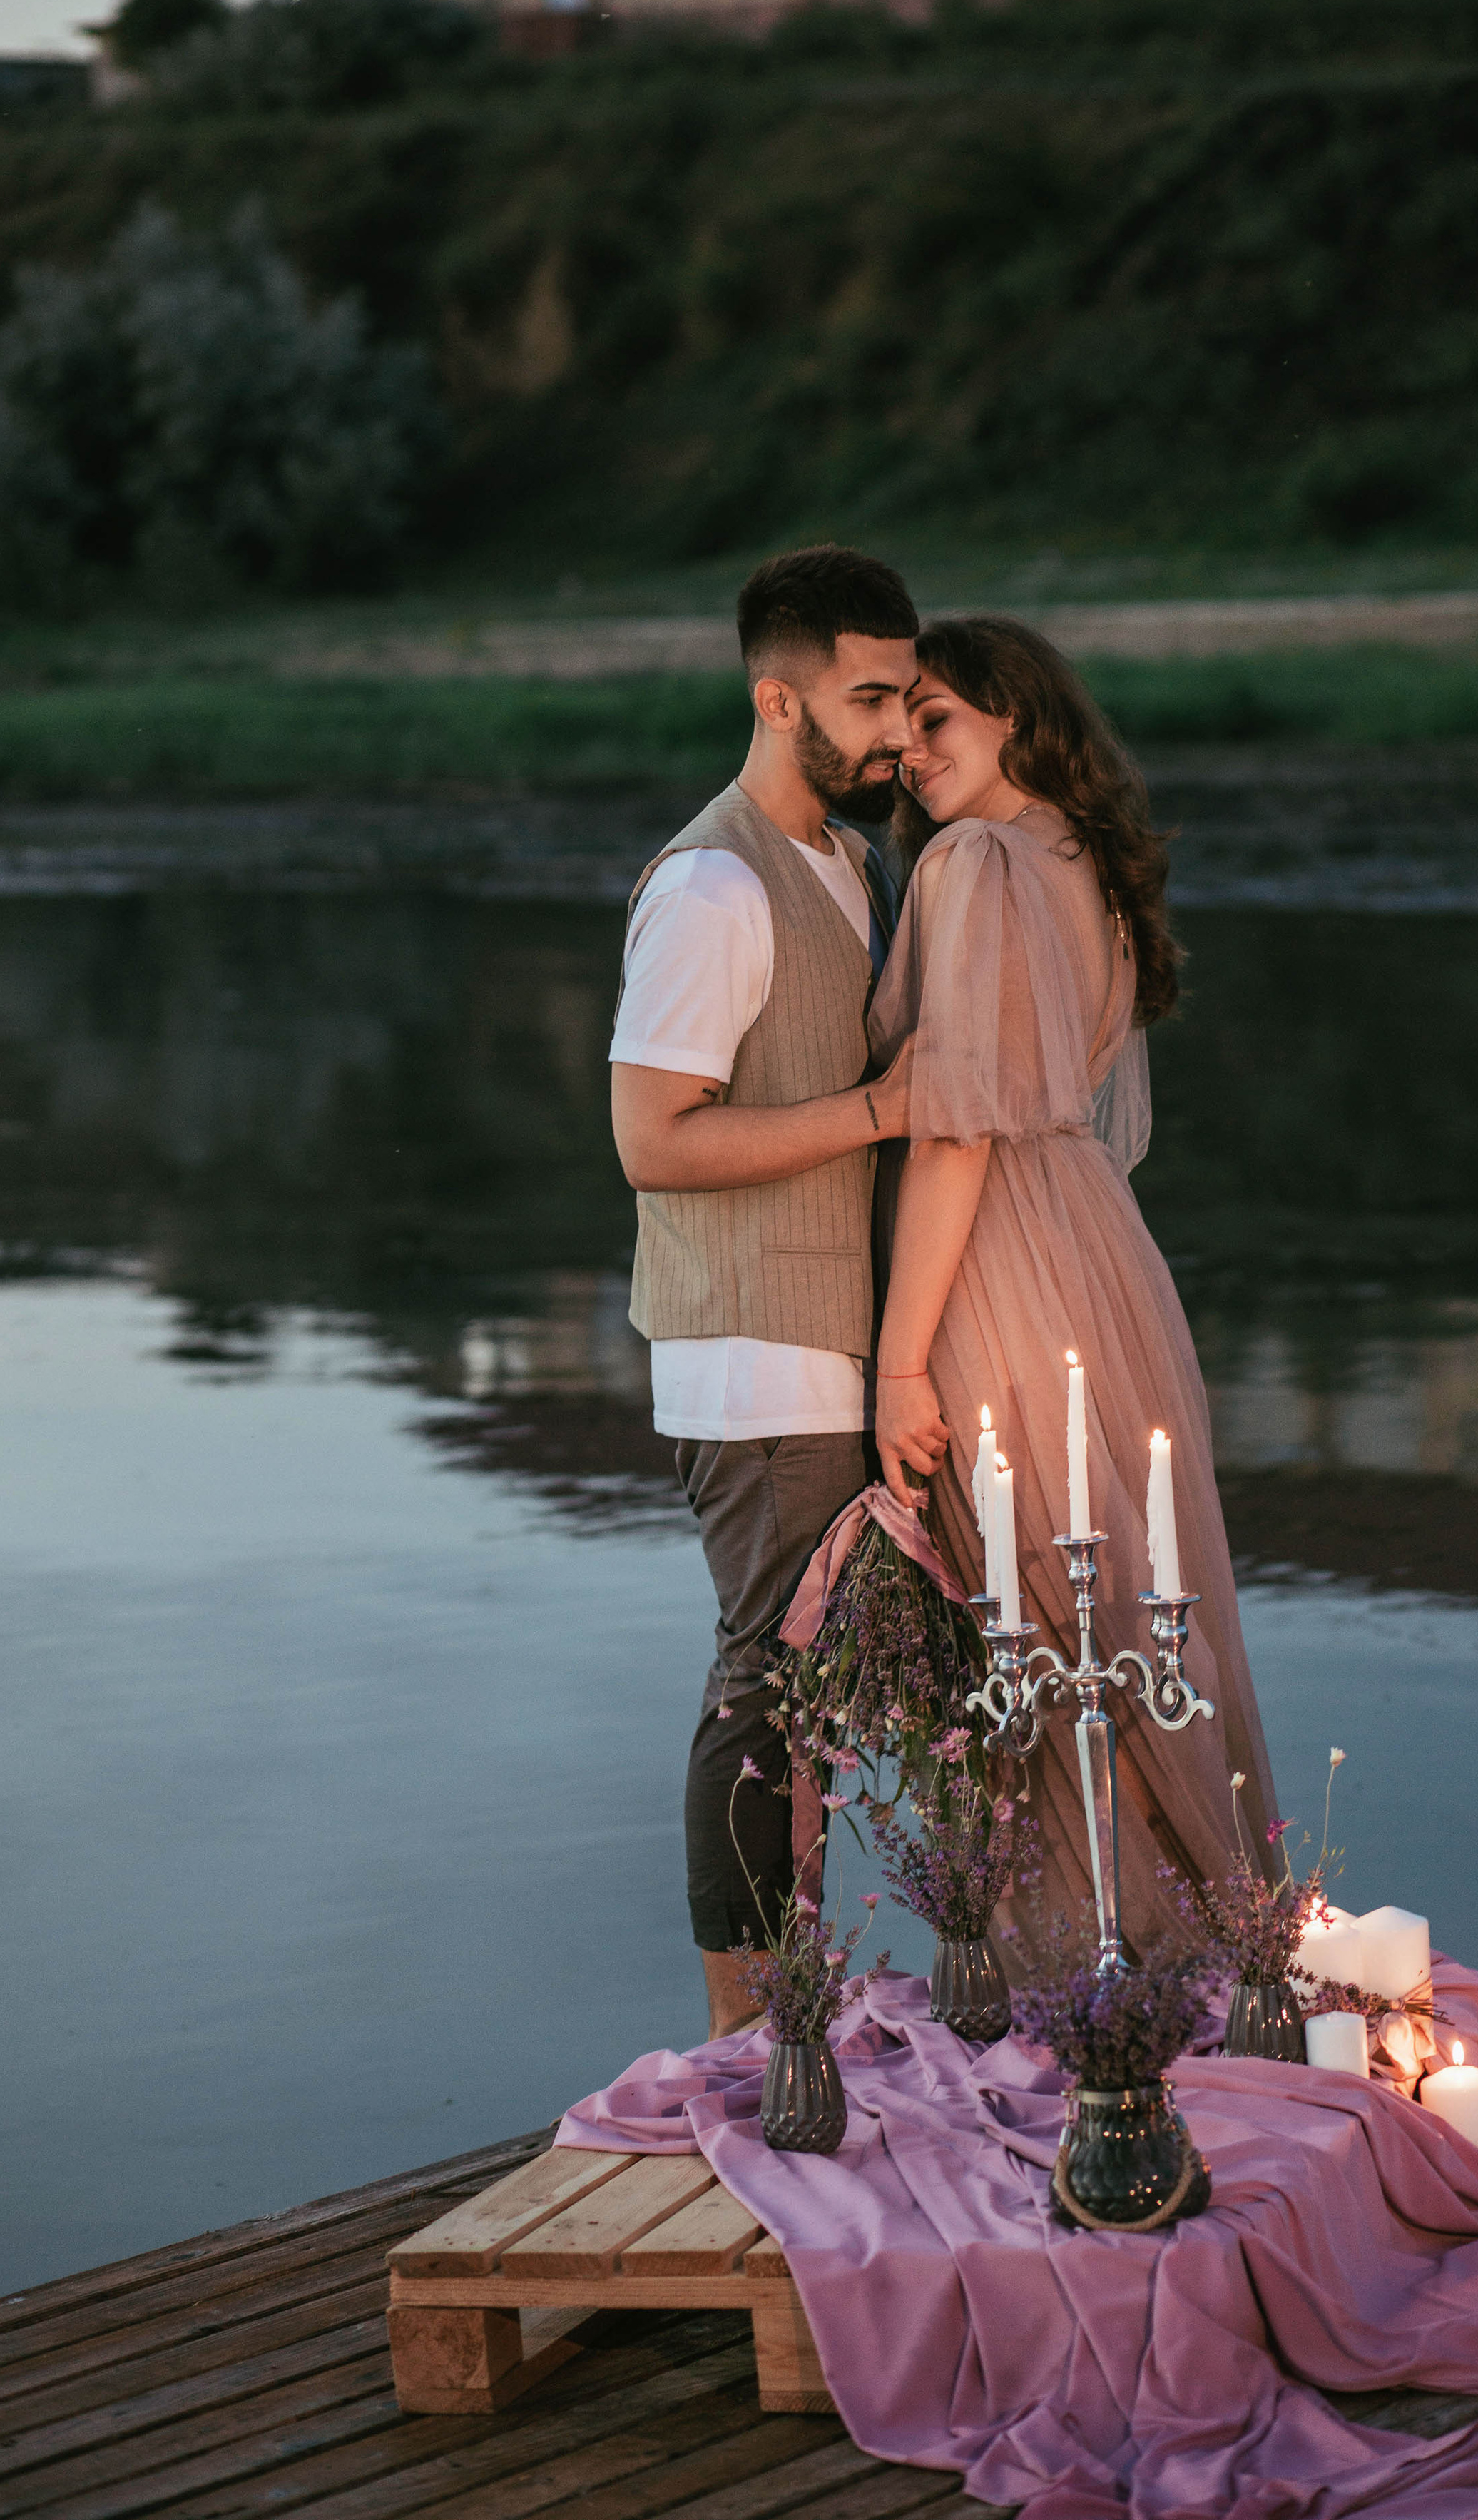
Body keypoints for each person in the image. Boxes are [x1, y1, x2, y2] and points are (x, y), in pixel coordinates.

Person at [868, 614, 1279, 1934]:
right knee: (1125, 1610)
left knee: (1039, 1611)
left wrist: (900, 1361)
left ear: (1015, 715)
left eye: (936, 717)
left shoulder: (974, 859)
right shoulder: (1085, 864)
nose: (908, 748)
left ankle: (1093, 1965)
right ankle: (1196, 1945)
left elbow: (957, 1127)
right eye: (900, 725)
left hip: (995, 1257)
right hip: (1101, 1249)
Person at [610, 544, 921, 2038]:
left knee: (813, 1700)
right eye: (868, 700)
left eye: (907, 698)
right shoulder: (711, 885)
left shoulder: (847, 863)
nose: (896, 731)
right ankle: (749, 2038)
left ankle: (799, 2015)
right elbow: (651, 1140)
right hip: (748, 1355)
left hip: (829, 1344)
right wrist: (877, 1113)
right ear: (777, 701)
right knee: (768, 1693)